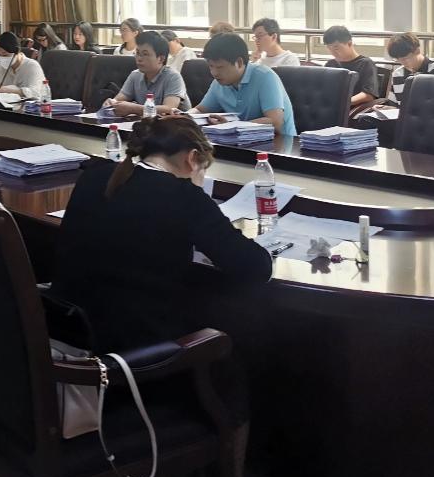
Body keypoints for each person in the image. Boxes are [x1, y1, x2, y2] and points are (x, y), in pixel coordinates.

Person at [50, 117, 271, 351]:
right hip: (129, 346)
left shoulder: (96, 175)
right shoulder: (184, 196)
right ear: (192, 158)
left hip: (65, 328)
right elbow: (256, 267)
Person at [189, 33, 297, 136]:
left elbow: (275, 122)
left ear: (239, 63)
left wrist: (232, 126)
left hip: (281, 143)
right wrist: (185, 115)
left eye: (220, 67)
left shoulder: (265, 76)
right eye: (211, 66)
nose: (214, 73)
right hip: (239, 142)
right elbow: (200, 110)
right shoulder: (219, 82)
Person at [104, 31, 189, 115]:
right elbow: (120, 98)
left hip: (176, 123)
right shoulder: (135, 75)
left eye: (145, 54)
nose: (139, 58)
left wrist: (133, 108)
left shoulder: (173, 77)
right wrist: (112, 102)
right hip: (148, 122)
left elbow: (169, 109)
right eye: (137, 53)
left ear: (161, 59)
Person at [0, 32, 47, 97]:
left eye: (5, 55)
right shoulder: (1, 65)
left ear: (17, 52)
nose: (2, 58)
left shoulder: (32, 66)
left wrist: (2, 89)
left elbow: (34, 92)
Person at [380, 33, 434, 106]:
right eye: (398, 59)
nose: (402, 62)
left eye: (405, 58)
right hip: (405, 113)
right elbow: (393, 104)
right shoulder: (398, 74)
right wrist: (384, 108)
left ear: (417, 51)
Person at [323, 26, 380, 106]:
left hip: (353, 108)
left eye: (336, 48)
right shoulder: (330, 64)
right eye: (329, 48)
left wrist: (343, 103)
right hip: (330, 107)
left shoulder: (365, 64)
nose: (333, 53)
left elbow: (368, 95)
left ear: (349, 44)